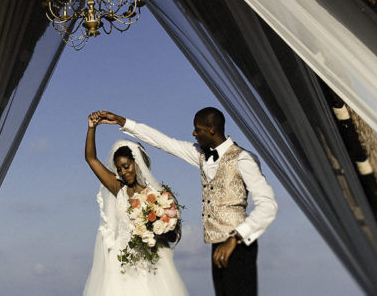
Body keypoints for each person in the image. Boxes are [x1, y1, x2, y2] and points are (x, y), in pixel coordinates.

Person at [94, 107, 277, 296]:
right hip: (217, 244)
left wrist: (236, 237)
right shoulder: (200, 155)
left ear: (212, 129)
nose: (193, 133)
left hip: (239, 244)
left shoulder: (244, 159)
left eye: (198, 129)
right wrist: (123, 121)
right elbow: (164, 142)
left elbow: (268, 206)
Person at [83, 111, 188, 296]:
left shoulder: (160, 195)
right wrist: (91, 128)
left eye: (126, 166)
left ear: (137, 163)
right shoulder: (119, 189)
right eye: (119, 169)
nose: (123, 172)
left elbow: (173, 236)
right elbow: (91, 159)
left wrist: (157, 227)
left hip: (154, 263)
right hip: (122, 264)